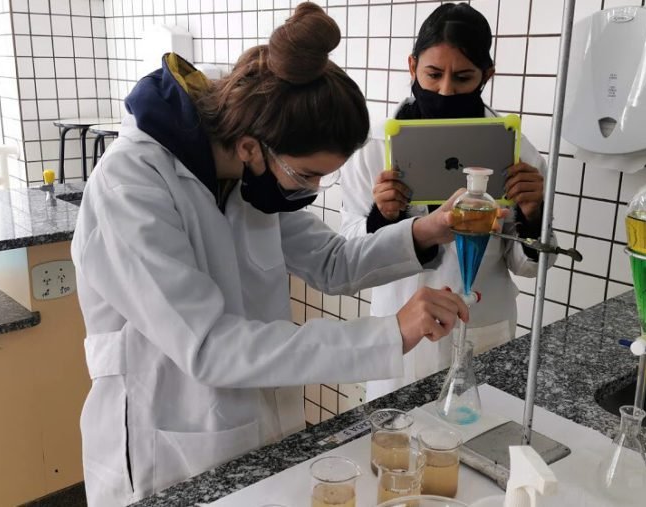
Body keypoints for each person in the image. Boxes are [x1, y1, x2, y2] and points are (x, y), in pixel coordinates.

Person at [71, 4, 503, 505]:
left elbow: (332, 262)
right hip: (167, 440)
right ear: (253, 147)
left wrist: (430, 229)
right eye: (308, 175)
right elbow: (210, 346)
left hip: (259, 425)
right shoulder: (132, 187)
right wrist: (389, 333)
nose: (313, 191)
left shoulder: (246, 173)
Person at [340, 2, 556, 402]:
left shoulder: (516, 154)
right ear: (412, 66)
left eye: (463, 78)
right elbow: (347, 254)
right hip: (400, 328)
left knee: (475, 443)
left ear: (487, 76)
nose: (445, 91)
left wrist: (534, 214)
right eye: (433, 74)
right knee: (394, 444)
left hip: (480, 325)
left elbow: (526, 265)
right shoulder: (373, 151)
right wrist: (380, 217)